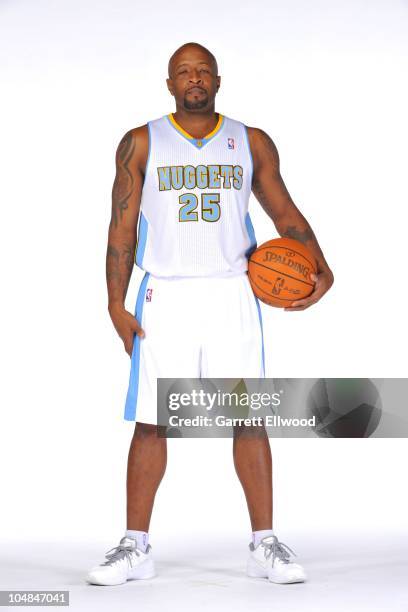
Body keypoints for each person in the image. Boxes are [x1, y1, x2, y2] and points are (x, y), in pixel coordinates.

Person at [86, 42, 334, 587]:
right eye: (183, 73)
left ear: (218, 81)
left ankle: (264, 542)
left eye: (202, 72)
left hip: (233, 290)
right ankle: (136, 545)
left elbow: (283, 211)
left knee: (250, 417)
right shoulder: (141, 142)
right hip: (164, 296)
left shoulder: (250, 141)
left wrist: (321, 265)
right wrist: (113, 302)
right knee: (152, 422)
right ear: (169, 84)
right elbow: (121, 229)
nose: (193, 79)